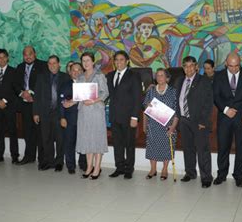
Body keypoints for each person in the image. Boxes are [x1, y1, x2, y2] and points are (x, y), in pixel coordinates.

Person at [213, 53, 242, 187]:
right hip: (225, 117)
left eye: (236, 66)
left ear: (240, 63)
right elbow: (216, 96)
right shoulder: (219, 75)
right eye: (231, 66)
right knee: (223, 147)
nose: (233, 69)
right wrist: (226, 110)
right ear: (226, 64)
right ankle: (221, 174)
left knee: (241, 148)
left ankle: (238, 176)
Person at [175, 56, 213, 188]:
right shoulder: (179, 80)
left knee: (202, 150)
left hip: (198, 122)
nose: (188, 68)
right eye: (186, 66)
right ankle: (190, 173)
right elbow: (177, 99)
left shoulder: (204, 81)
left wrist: (203, 121)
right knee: (188, 148)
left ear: (196, 67)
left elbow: (208, 103)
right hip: (184, 120)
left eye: (191, 66)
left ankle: (206, 177)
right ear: (183, 68)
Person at [72, 52, 109, 179]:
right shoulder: (80, 77)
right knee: (87, 140)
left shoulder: (99, 75)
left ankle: (97, 168)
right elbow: (78, 95)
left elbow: (105, 93)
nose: (85, 63)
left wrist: (93, 100)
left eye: (88, 60)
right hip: (83, 112)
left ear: (93, 62)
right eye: (83, 61)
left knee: (97, 140)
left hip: (96, 111)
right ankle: (89, 167)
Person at [107, 50, 142, 179]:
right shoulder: (110, 76)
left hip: (128, 117)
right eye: (116, 60)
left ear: (127, 61)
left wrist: (135, 117)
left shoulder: (134, 75)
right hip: (115, 116)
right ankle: (119, 167)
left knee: (129, 144)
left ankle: (129, 169)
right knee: (118, 144)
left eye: (121, 59)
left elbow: (138, 98)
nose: (119, 62)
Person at [33, 55, 70, 171]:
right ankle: (49, 161)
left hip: (59, 113)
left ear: (59, 64)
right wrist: (35, 113)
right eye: (50, 63)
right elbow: (37, 96)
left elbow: (69, 96)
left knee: (60, 139)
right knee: (46, 138)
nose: (52, 65)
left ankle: (59, 162)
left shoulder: (65, 77)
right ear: (47, 65)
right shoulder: (41, 77)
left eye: (54, 63)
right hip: (44, 112)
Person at [143, 68, 178, 180]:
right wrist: (147, 106)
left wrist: (173, 127)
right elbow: (145, 106)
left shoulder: (173, 91)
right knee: (152, 147)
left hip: (168, 125)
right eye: (157, 75)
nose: (159, 77)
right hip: (152, 125)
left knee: (167, 147)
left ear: (167, 78)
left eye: (162, 75)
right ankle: (153, 169)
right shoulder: (151, 90)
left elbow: (177, 111)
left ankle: (164, 169)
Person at [15, 46, 47, 165]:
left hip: (38, 104)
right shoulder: (19, 67)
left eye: (30, 54)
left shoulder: (43, 66)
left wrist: (32, 92)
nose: (28, 56)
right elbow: (16, 84)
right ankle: (29, 156)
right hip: (25, 104)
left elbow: (45, 84)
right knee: (27, 132)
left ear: (35, 54)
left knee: (40, 132)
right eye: (25, 54)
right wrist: (22, 93)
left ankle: (43, 159)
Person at [60, 62, 87, 174]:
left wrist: (73, 101)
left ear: (82, 71)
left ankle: (83, 164)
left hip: (85, 118)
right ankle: (71, 165)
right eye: (74, 70)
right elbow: (61, 102)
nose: (76, 72)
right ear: (70, 72)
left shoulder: (87, 84)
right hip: (70, 119)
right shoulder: (65, 85)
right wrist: (62, 117)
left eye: (79, 70)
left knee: (83, 143)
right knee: (69, 143)